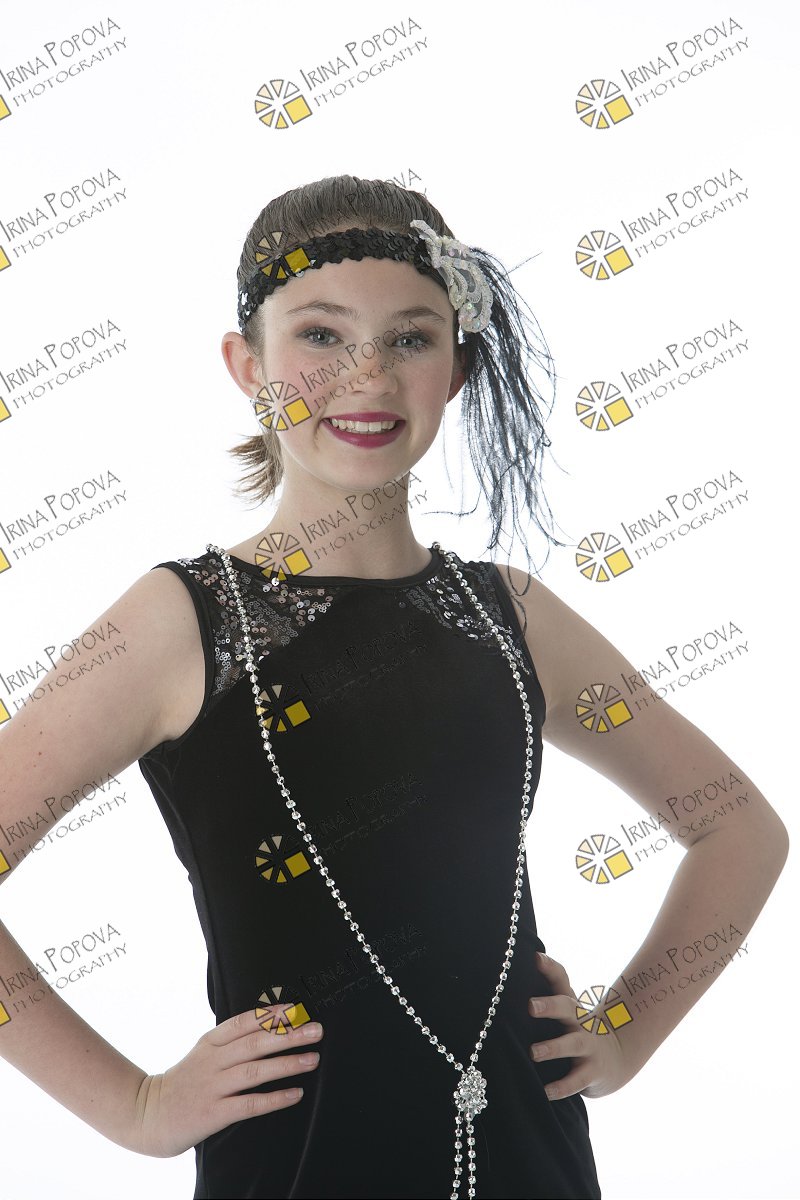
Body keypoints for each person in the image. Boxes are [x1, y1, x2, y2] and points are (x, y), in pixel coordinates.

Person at [0, 175, 788, 1200]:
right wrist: (135, 1107)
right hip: (301, 1163)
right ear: (248, 366)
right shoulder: (180, 623)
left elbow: (736, 825)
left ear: (456, 368)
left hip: (529, 1157)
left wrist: (625, 1031)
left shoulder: (510, 613)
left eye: (410, 338)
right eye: (321, 336)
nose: (366, 374)